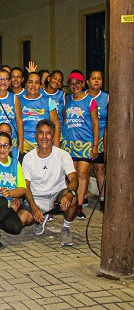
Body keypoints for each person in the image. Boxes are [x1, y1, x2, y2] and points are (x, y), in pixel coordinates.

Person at [20, 120, 78, 247]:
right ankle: (40, 219)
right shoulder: (28, 158)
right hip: (37, 197)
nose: (44, 137)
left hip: (56, 196)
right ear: (36, 136)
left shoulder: (63, 155)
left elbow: (74, 179)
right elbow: (26, 186)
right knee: (21, 220)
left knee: (73, 198)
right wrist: (34, 208)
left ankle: (66, 228)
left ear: (53, 136)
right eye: (41, 133)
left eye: (48, 133)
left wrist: (70, 194)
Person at [63, 70, 99, 220]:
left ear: (83, 84)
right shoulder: (67, 99)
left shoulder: (90, 101)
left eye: (77, 83)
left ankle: (80, 205)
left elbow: (95, 123)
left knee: (83, 173)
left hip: (85, 142)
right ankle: (70, 201)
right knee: (71, 174)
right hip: (69, 143)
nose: (74, 86)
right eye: (71, 84)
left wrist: (95, 145)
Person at [19, 72, 61, 153]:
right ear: (26, 84)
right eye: (30, 82)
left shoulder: (48, 101)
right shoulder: (18, 101)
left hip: (45, 146)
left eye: (37, 82)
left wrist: (56, 149)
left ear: (40, 86)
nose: (33, 85)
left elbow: (56, 124)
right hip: (24, 147)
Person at [86, 70, 108, 211]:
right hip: (84, 138)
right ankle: (83, 197)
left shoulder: (106, 98)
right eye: (93, 78)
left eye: (99, 78)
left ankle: (103, 198)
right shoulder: (83, 97)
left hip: (100, 138)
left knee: (100, 168)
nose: (96, 81)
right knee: (84, 169)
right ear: (88, 81)